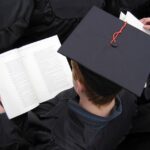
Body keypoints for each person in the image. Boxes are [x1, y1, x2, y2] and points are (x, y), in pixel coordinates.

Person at [1, 7, 150, 150]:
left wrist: (2, 121)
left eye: (73, 68)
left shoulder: (58, 145)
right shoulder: (127, 94)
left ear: (79, 86)